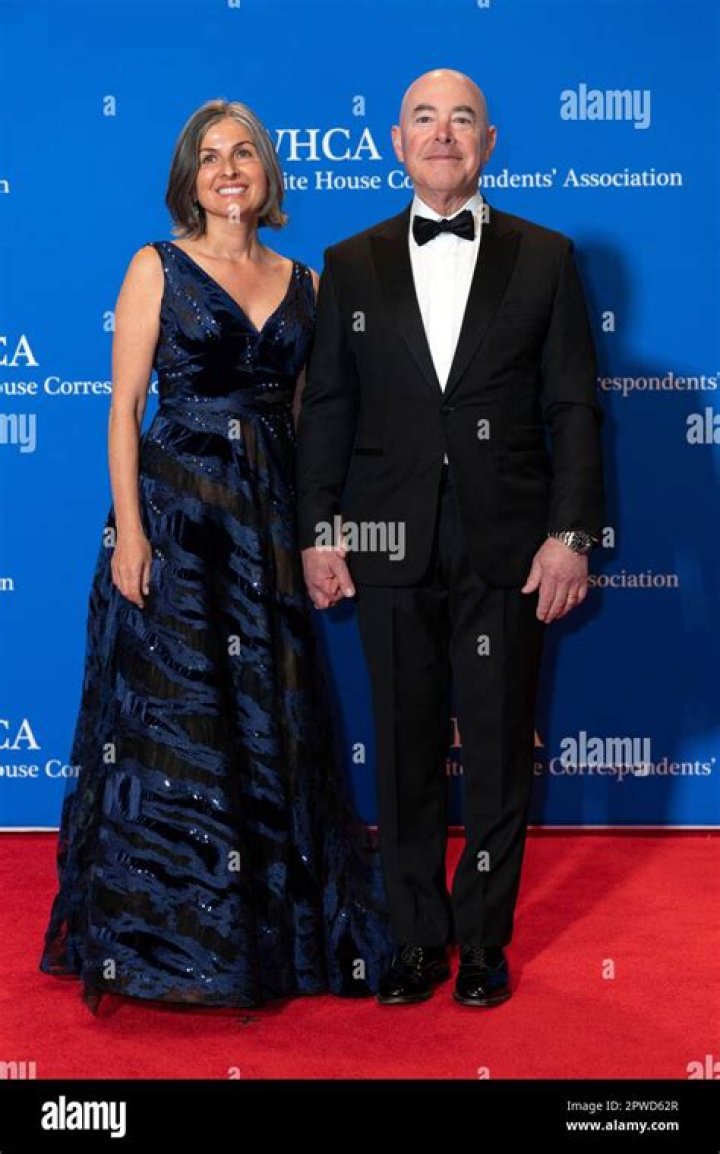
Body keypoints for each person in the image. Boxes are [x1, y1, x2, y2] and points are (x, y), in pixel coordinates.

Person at [40, 99, 390, 1010]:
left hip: (265, 524)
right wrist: (131, 532)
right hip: (178, 522)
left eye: (243, 154)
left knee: (267, 717)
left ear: (268, 173)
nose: (228, 169)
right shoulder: (155, 267)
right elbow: (124, 409)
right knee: (177, 720)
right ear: (188, 180)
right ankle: (164, 940)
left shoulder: (308, 283)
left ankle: (269, 935)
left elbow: (313, 426)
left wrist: (317, 532)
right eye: (209, 157)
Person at [296, 69, 604, 1007]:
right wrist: (319, 530)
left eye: (461, 119)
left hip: (509, 541)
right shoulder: (350, 263)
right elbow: (328, 411)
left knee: (501, 748)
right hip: (385, 536)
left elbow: (574, 408)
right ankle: (416, 939)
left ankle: (483, 942)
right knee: (403, 748)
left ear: (489, 142)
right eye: (424, 119)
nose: (443, 134)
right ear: (395, 143)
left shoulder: (545, 257)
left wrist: (571, 533)